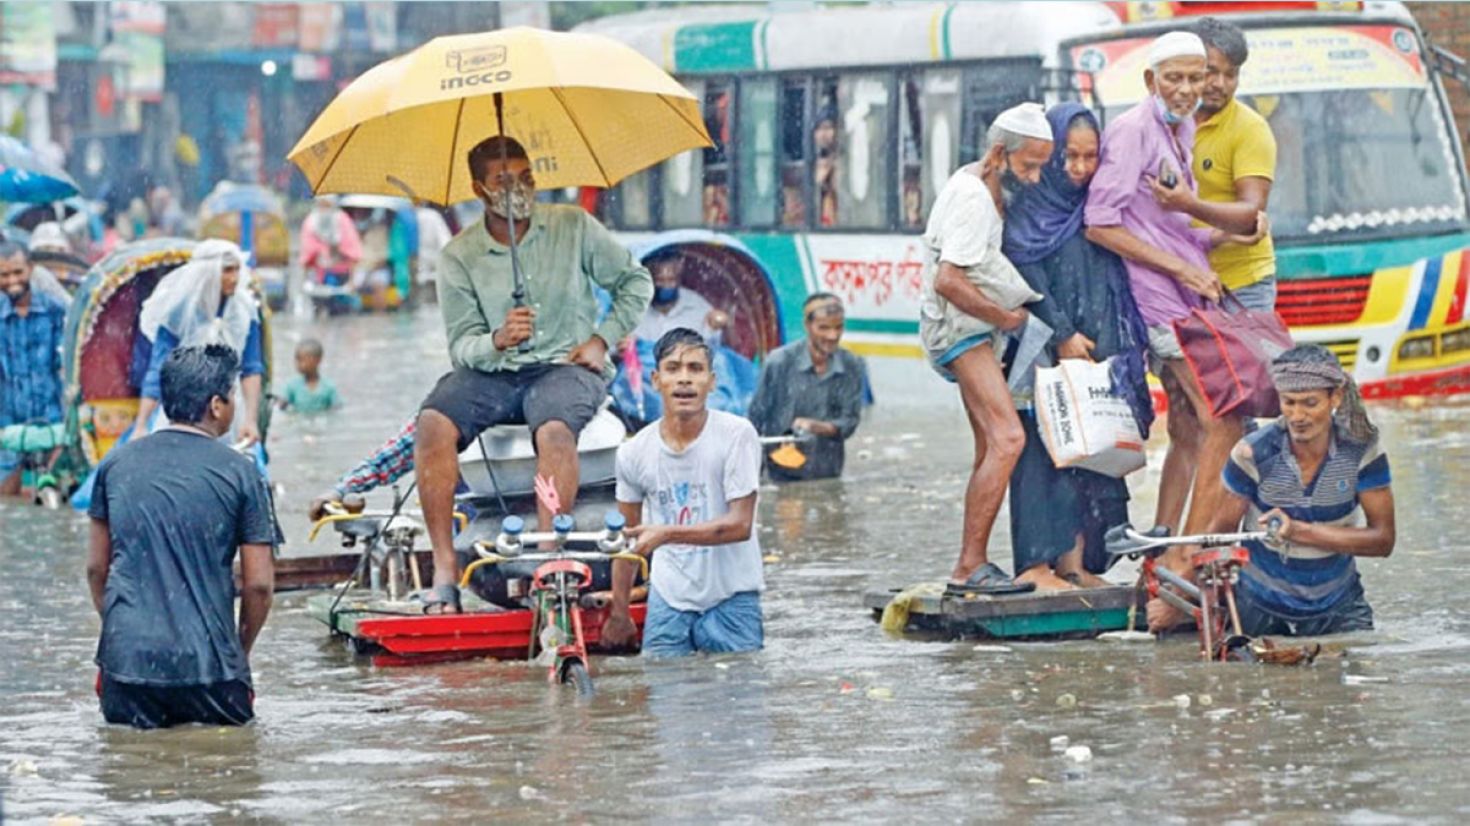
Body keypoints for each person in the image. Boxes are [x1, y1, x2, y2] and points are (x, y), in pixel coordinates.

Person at [413, 136, 652, 613]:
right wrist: (497, 339)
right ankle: (443, 568)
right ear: (480, 189)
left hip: (567, 366)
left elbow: (634, 282)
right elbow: (462, 346)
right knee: (433, 422)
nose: (519, 189)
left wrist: (601, 339)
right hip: (495, 371)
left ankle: (549, 556)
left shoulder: (574, 226)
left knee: (555, 428)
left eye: (526, 177)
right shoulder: (459, 256)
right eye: (504, 181)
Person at [1083, 31, 1260, 540]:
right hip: (1158, 300)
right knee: (1223, 419)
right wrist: (1182, 270)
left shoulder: (1180, 128)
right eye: (1174, 78)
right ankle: (1198, 545)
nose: (1186, 88)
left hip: (1186, 293)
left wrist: (1231, 233)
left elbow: (1167, 226)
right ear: (1150, 80)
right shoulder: (1133, 130)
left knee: (1186, 422)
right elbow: (1100, 223)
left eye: (1195, 77)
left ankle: (1164, 539)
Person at [1001, 103, 1155, 590]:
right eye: (1070, 156)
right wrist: (1063, 332)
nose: (1081, 169)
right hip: (1043, 348)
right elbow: (1028, 273)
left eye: (1091, 157)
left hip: (1095, 352)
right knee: (1042, 456)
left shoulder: (1096, 206)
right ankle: (1035, 565)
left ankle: (1076, 563)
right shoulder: (1030, 206)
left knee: (1087, 454)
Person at [85, 344, 278, 729]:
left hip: (127, 666)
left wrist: (127, 630)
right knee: (226, 772)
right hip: (211, 668)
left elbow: (95, 568)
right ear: (216, 406)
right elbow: (259, 585)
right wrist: (238, 651)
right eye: (233, 396)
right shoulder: (242, 473)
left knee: (130, 770)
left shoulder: (116, 465)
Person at [1147, 345, 1394, 636]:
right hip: (1259, 606)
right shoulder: (1253, 453)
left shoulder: (1362, 452)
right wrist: (1177, 601)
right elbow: (1219, 538)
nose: (1298, 416)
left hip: (1339, 605)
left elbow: (1383, 541)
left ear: (1335, 398)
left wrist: (1297, 531)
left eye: (1310, 403)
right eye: (1289, 403)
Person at [920, 102, 1055, 596]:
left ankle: (971, 562)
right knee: (1009, 439)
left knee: (988, 448)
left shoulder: (980, 182)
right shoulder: (974, 197)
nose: (1036, 179)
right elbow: (949, 280)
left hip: (969, 329)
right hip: (962, 328)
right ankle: (968, 566)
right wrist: (1009, 319)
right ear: (1000, 153)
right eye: (1029, 166)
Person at [603, 328, 764, 656]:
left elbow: (739, 525)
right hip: (669, 600)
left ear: (712, 381)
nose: (684, 379)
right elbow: (627, 538)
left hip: (732, 597)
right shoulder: (633, 453)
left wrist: (666, 534)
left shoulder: (737, 435)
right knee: (665, 694)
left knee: (739, 699)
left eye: (695, 369)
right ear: (655, 379)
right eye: (673, 369)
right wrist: (619, 612)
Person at [1148, 18, 1278, 311]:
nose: (1220, 84)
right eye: (1211, 72)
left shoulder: (1250, 128)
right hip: (1174, 278)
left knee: (1246, 359)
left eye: (1231, 75)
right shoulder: (1158, 121)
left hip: (1241, 285)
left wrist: (1188, 204)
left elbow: (1250, 214)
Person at [131, 239, 266, 446]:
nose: (234, 278)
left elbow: (251, 368)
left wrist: (250, 420)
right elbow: (159, 369)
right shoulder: (177, 312)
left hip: (229, 409)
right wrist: (141, 424)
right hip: (181, 410)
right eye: (227, 271)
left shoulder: (245, 311)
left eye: (237, 270)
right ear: (208, 272)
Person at [747, 293, 867, 482]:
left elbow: (850, 422)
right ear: (807, 326)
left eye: (838, 327)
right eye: (824, 328)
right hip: (780, 474)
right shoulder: (779, 363)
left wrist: (816, 426)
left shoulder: (851, 364)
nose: (832, 335)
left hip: (828, 474)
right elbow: (755, 419)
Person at [0, 242, 67, 496]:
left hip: (51, 421)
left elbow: (69, 370)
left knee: (53, 500)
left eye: (18, 272)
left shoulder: (55, 311)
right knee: (6, 504)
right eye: (4, 275)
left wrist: (70, 427)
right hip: (6, 425)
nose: (12, 281)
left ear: (30, 269)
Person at [631, 252, 730, 343]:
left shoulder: (696, 305)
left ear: (679, 279)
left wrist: (714, 326)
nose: (666, 285)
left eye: (671, 279)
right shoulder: (634, 307)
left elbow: (712, 348)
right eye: (660, 280)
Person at [298, 195, 362, 289]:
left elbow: (353, 253)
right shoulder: (311, 222)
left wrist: (351, 281)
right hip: (317, 276)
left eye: (327, 205)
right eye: (321, 204)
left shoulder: (343, 220)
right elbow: (306, 254)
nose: (324, 209)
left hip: (341, 274)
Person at [279, 338, 339, 414]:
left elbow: (336, 407)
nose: (298, 364)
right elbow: (282, 405)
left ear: (317, 360)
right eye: (296, 360)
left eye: (302, 360)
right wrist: (281, 403)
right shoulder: (292, 385)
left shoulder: (329, 387)